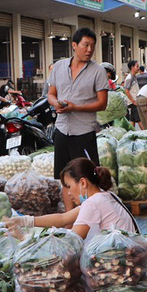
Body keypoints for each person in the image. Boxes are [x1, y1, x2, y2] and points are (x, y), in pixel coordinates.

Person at [4, 158, 136, 241]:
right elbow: (63, 219)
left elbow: (70, 245)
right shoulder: (104, 195)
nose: (67, 193)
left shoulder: (93, 203)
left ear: (83, 183)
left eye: (69, 186)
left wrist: (25, 237)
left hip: (123, 262)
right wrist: (25, 221)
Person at [47, 27, 109, 183]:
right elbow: (50, 94)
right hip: (61, 130)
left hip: (84, 133)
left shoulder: (98, 71)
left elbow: (102, 104)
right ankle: (70, 209)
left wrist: (76, 107)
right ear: (74, 45)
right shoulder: (59, 67)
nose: (89, 50)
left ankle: (87, 208)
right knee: (64, 179)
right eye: (85, 45)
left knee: (87, 180)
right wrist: (56, 103)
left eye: (92, 46)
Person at [122, 60, 142, 128]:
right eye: (137, 66)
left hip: (134, 102)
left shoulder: (134, 77)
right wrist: (133, 101)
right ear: (132, 67)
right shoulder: (129, 78)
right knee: (139, 120)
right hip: (133, 103)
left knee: (132, 120)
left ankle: (131, 133)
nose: (138, 68)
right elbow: (126, 90)